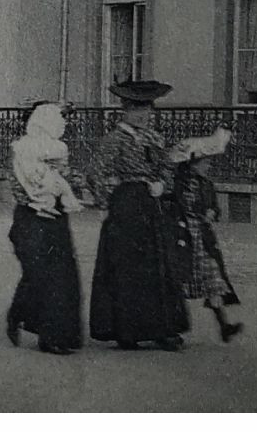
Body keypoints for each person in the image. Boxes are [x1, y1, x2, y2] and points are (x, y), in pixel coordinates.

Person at [89, 80, 189, 351]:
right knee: (128, 267)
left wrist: (163, 183)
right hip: (125, 205)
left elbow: (167, 168)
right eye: (138, 110)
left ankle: (162, 328)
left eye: (148, 110)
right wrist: (103, 203)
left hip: (151, 204)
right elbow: (96, 173)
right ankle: (128, 329)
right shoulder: (114, 140)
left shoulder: (155, 138)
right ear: (125, 111)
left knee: (158, 264)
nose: (145, 116)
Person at [6, 102, 85, 355]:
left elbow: (71, 178)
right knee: (40, 274)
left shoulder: (59, 150)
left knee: (61, 276)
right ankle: (30, 322)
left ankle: (55, 335)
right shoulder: (22, 151)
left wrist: (73, 180)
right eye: (58, 120)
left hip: (56, 218)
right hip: (32, 219)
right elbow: (18, 187)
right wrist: (37, 200)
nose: (61, 125)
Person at [170, 127, 243, 343]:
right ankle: (173, 326)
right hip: (182, 236)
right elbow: (171, 206)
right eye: (205, 163)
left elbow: (214, 207)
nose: (208, 166)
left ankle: (224, 325)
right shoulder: (177, 184)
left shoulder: (206, 185)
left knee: (213, 278)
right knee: (180, 281)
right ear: (193, 163)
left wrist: (213, 212)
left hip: (202, 237)